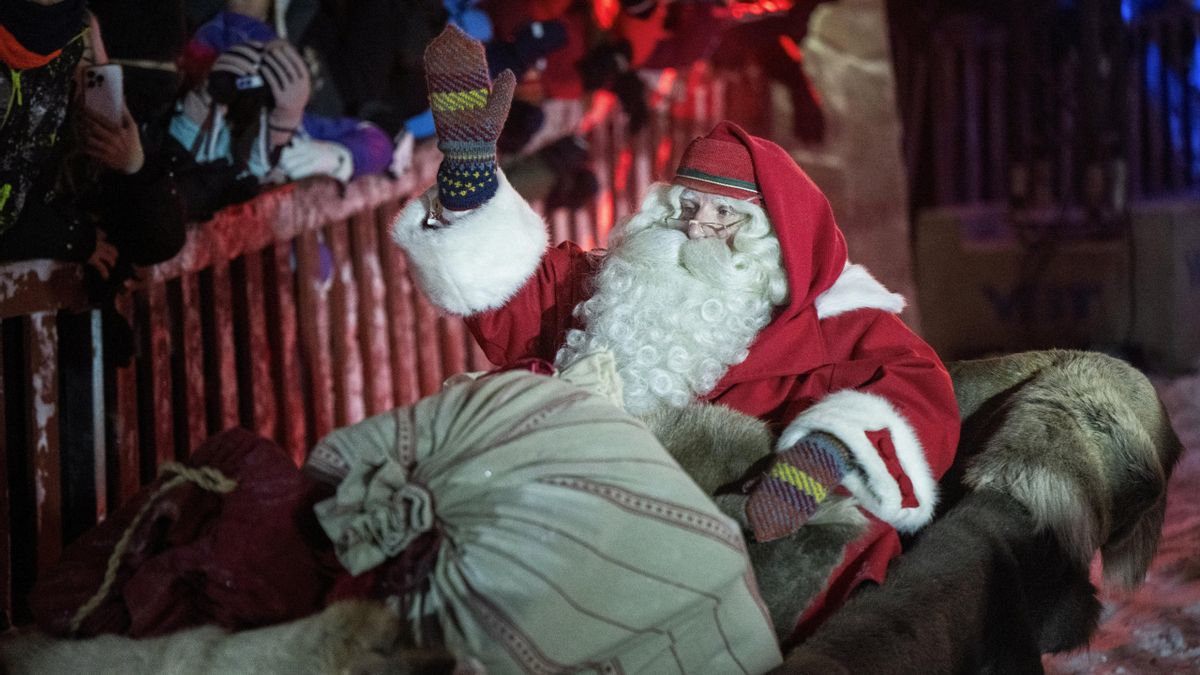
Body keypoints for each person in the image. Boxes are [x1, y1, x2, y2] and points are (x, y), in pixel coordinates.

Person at [392, 25, 960, 641]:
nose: (697, 228)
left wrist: (826, 451)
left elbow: (915, 390)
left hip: (721, 540)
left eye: (724, 214)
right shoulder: (615, 285)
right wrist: (470, 182)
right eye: (687, 208)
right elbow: (516, 293)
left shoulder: (834, 326)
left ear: (773, 238)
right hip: (574, 504)